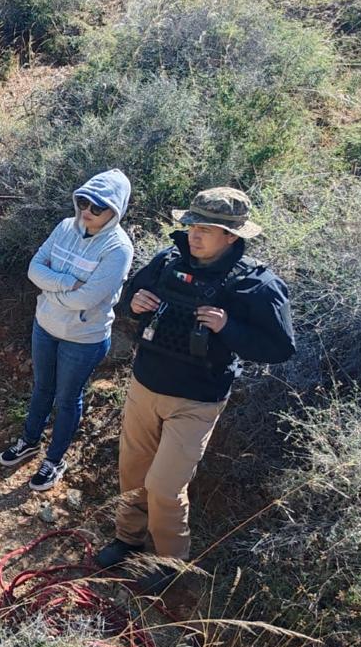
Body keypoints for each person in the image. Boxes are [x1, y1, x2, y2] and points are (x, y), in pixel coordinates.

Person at [94, 187, 295, 594]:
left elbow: (280, 347)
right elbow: (131, 296)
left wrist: (228, 327)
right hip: (145, 385)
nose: (195, 235)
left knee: (166, 488)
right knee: (133, 472)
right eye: (192, 225)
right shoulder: (168, 260)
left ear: (232, 237)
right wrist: (136, 302)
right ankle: (128, 540)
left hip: (197, 401)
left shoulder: (255, 285)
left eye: (207, 229)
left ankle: (168, 565)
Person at [0, 169, 134, 490]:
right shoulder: (64, 227)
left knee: (67, 398)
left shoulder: (118, 248)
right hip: (45, 326)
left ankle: (55, 459)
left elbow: (89, 298)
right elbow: (34, 268)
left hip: (84, 339)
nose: (86, 211)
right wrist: (65, 284)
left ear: (115, 210)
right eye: (83, 202)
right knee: (42, 388)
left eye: (97, 207)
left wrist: (51, 289)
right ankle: (30, 441)